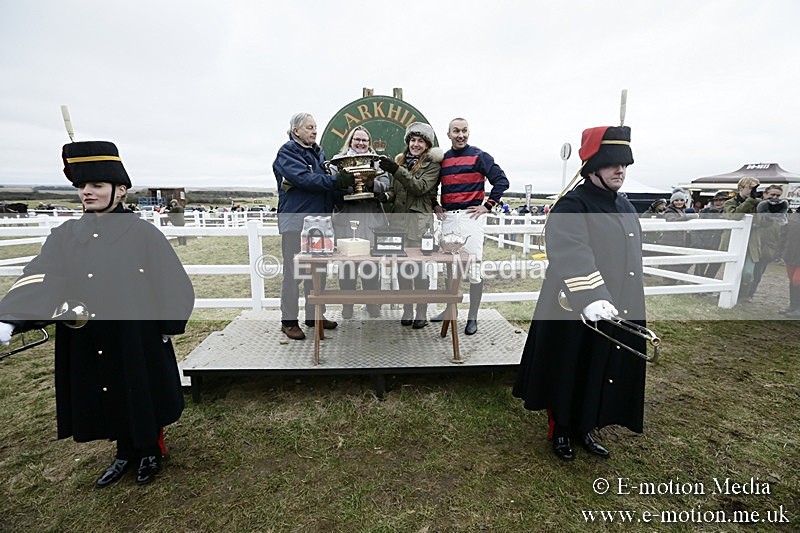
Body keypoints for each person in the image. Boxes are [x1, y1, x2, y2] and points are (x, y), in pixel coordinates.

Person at [0, 140, 195, 487]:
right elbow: (41, 273)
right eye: (81, 186)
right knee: (107, 389)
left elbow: (172, 282)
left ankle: (149, 449)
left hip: (136, 333)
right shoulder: (66, 235)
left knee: (139, 388)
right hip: (89, 334)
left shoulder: (142, 233)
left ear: (120, 190)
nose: (86, 192)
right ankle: (123, 452)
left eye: (96, 185)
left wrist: (167, 325)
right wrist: (10, 317)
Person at [513, 125, 646, 461]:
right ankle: (560, 429)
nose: (620, 170)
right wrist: (593, 297)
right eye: (613, 163)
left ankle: (586, 425)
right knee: (568, 364)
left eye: (625, 165)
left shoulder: (625, 206)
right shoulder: (572, 205)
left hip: (615, 305)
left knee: (599, 365)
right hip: (575, 304)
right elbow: (571, 251)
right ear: (592, 167)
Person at [272, 112, 354, 340]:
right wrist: (335, 181)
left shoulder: (318, 154)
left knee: (317, 271)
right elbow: (304, 180)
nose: (314, 131)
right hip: (296, 222)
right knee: (294, 272)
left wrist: (344, 190)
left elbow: (323, 184)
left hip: (319, 223)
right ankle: (288, 321)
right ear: (295, 130)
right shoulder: (288, 152)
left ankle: (314, 315)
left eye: (315, 127)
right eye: (309, 127)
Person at [430, 118, 509, 335]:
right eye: (456, 131)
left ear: (469, 133)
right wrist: (435, 205)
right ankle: (449, 310)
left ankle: (472, 317)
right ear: (448, 134)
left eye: (464, 131)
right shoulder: (443, 159)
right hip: (448, 218)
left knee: (474, 267)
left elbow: (501, 181)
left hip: (470, 218)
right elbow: (431, 186)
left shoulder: (479, 156)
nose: (461, 135)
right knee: (449, 267)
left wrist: (488, 206)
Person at [378, 122, 443, 328]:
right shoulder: (401, 162)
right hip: (398, 223)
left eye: (420, 141)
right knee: (402, 268)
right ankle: (407, 308)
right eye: (413, 140)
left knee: (418, 269)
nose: (416, 144)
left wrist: (397, 170)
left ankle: (421, 310)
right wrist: (384, 195)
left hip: (419, 225)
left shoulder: (432, 166)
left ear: (426, 145)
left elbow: (419, 187)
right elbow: (396, 193)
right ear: (408, 142)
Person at [331, 126, 390, 319]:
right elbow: (332, 188)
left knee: (370, 266)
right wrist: (346, 182)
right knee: (346, 267)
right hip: (346, 220)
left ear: (369, 143)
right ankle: (347, 306)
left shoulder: (377, 165)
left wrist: (371, 183)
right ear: (350, 141)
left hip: (370, 221)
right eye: (357, 139)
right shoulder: (337, 163)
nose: (361, 143)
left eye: (365, 140)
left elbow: (386, 187)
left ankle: (372, 304)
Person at [722, 177, 761, 301]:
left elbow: (763, 221)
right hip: (733, 242)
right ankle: (727, 293)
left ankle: (743, 293)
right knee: (732, 271)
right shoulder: (729, 203)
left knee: (748, 273)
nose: (752, 191)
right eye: (750, 188)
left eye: (755, 188)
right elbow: (734, 216)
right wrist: (749, 202)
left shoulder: (759, 203)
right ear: (741, 188)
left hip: (751, 242)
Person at [750, 185, 789, 298]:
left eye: (778, 195)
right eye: (772, 194)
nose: (775, 197)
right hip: (753, 244)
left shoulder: (782, 212)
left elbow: (782, 231)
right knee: (746, 272)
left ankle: (749, 294)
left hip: (769, 247)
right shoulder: (756, 207)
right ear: (765, 194)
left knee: (758, 273)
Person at [694, 190, 729, 279]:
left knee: (714, 267)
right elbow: (697, 228)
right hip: (705, 241)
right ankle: (697, 286)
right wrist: (698, 241)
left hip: (720, 243)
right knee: (700, 266)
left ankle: (707, 285)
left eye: (721, 200)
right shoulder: (705, 211)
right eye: (716, 200)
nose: (718, 202)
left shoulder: (729, 213)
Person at [779, 207, 800, 317]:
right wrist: (781, 250)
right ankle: (793, 306)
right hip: (790, 254)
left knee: (797, 281)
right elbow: (784, 233)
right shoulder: (793, 215)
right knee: (792, 281)